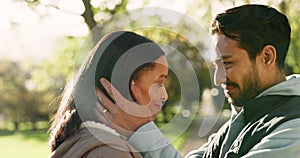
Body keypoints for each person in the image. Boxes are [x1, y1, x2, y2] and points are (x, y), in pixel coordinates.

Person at [96, 4, 300, 158]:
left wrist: (139, 125)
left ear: (266, 57)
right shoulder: (246, 117)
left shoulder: (294, 129)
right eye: (216, 65)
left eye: (227, 64)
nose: (218, 79)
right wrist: (138, 124)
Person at [48, 31, 169, 157]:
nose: (165, 96)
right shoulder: (111, 152)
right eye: (158, 84)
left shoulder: (83, 140)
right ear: (128, 85)